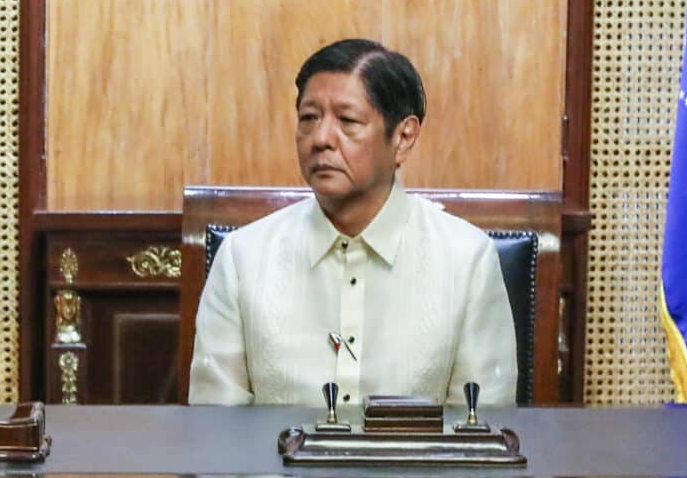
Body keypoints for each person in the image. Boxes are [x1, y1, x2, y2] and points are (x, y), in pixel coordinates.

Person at [189, 40, 519, 407]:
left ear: (403, 137)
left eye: (347, 121)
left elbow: (480, 435)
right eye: (309, 118)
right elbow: (215, 432)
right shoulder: (243, 258)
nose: (321, 139)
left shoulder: (466, 260)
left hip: (414, 467)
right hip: (273, 467)